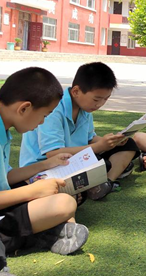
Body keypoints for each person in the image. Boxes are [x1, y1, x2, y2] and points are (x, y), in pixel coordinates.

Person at [0, 67, 88, 256]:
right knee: (63, 203)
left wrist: (46, 165)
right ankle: (40, 235)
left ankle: (46, 232)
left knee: (63, 198)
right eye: (44, 115)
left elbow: (4, 176)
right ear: (24, 108)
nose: (41, 123)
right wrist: (33, 191)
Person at [20, 62, 139, 201]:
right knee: (100, 162)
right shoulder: (53, 109)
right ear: (76, 91)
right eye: (96, 99)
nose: (100, 104)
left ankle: (106, 182)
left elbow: (90, 138)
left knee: (128, 144)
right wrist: (98, 146)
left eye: (105, 99)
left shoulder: (85, 108)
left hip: (75, 159)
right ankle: (95, 185)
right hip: (45, 166)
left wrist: (111, 141)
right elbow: (52, 153)